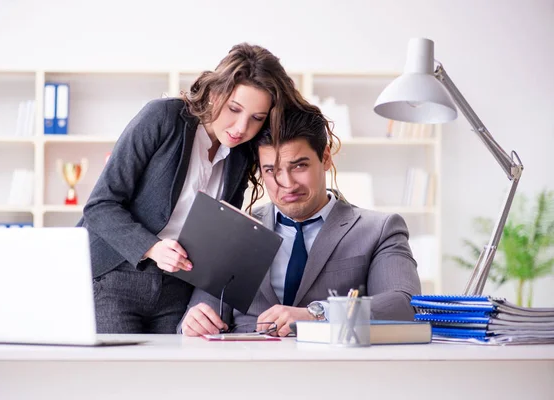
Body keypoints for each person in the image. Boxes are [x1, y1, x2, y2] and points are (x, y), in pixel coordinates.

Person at [78, 43, 305, 334]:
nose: (240, 127)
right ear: (214, 93)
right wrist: (152, 247)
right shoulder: (162, 117)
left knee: (176, 377)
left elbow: (218, 229)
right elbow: (100, 205)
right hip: (116, 277)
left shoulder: (240, 153)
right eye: (234, 109)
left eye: (257, 118)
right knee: (121, 375)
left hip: (178, 291)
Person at [180, 106, 422, 337]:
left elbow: (404, 305)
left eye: (299, 166)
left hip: (333, 370)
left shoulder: (379, 230)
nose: (287, 183)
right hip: (247, 370)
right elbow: (196, 319)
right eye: (271, 171)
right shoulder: (232, 228)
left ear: (326, 158)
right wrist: (193, 323)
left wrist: (318, 315)